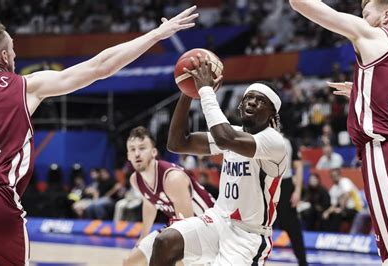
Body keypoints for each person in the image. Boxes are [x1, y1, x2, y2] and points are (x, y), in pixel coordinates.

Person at [0, 7, 198, 265]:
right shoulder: (25, 86)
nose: (16, 55)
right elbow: (100, 66)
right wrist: (156, 34)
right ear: (4, 55)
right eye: (14, 49)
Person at [290, 0, 388, 264]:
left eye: (366, 14)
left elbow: (300, 4)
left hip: (386, 152)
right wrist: (362, 91)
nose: (362, 19)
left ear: (386, 16)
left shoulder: (375, 35)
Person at [150, 55, 287, 265]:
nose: (251, 101)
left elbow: (226, 138)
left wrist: (205, 91)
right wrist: (188, 91)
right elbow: (178, 143)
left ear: (271, 114)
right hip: (216, 221)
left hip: (248, 236)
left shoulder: (274, 142)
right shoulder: (233, 133)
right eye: (248, 97)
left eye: (260, 101)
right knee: (164, 241)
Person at [122, 126, 215, 266]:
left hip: (208, 229)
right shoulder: (135, 179)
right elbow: (149, 204)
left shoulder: (172, 179)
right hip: (179, 226)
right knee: (131, 262)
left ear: (154, 152)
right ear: (128, 156)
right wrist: (142, 236)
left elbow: (187, 228)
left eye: (142, 148)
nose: (137, 154)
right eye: (132, 149)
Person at [273, 135, 307, 266]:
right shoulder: (258, 135)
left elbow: (298, 166)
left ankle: (303, 262)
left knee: (292, 226)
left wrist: (297, 190)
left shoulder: (288, 140)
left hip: (285, 184)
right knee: (259, 224)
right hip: (264, 183)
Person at [321, 168, 362, 232]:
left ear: (340, 175)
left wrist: (341, 209)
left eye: (336, 175)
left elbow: (347, 195)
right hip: (345, 209)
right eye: (332, 176)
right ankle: (328, 234)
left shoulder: (344, 181)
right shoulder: (333, 189)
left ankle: (335, 233)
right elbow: (333, 205)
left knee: (338, 215)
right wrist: (327, 212)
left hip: (356, 208)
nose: (334, 178)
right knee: (326, 215)